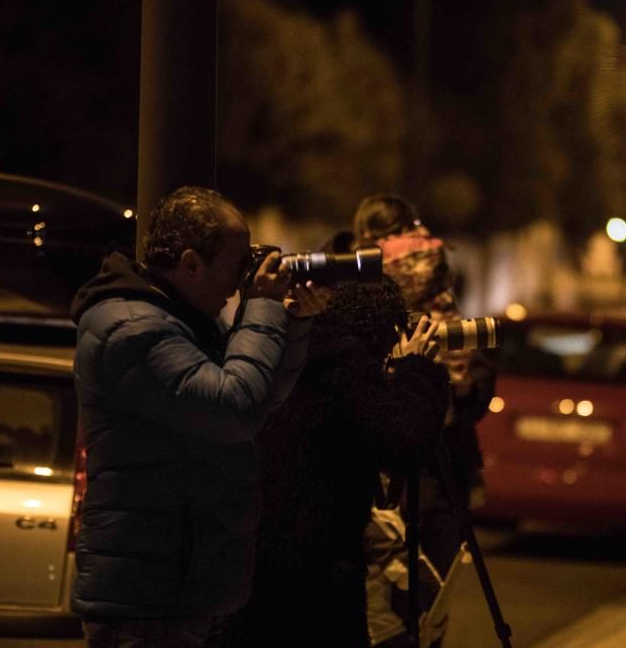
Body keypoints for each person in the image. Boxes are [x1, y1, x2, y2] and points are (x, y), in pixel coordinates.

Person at [69, 186, 329, 646]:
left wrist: (291, 322)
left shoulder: (179, 321)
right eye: (237, 265)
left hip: (179, 586)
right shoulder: (133, 330)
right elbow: (234, 410)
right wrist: (262, 307)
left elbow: (262, 398)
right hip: (146, 600)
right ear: (190, 263)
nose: (239, 283)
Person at [227, 278, 450, 647]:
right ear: (385, 326)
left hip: (253, 562)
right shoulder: (347, 365)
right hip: (315, 572)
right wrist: (418, 369)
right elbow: (405, 442)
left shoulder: (296, 350)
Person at [354, 193, 496, 576]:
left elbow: (478, 371)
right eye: (395, 235)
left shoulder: (441, 295)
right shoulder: (354, 290)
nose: (411, 246)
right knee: (390, 594)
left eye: (410, 232)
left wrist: (464, 387)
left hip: (443, 463)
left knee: (431, 587)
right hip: (387, 470)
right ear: (369, 238)